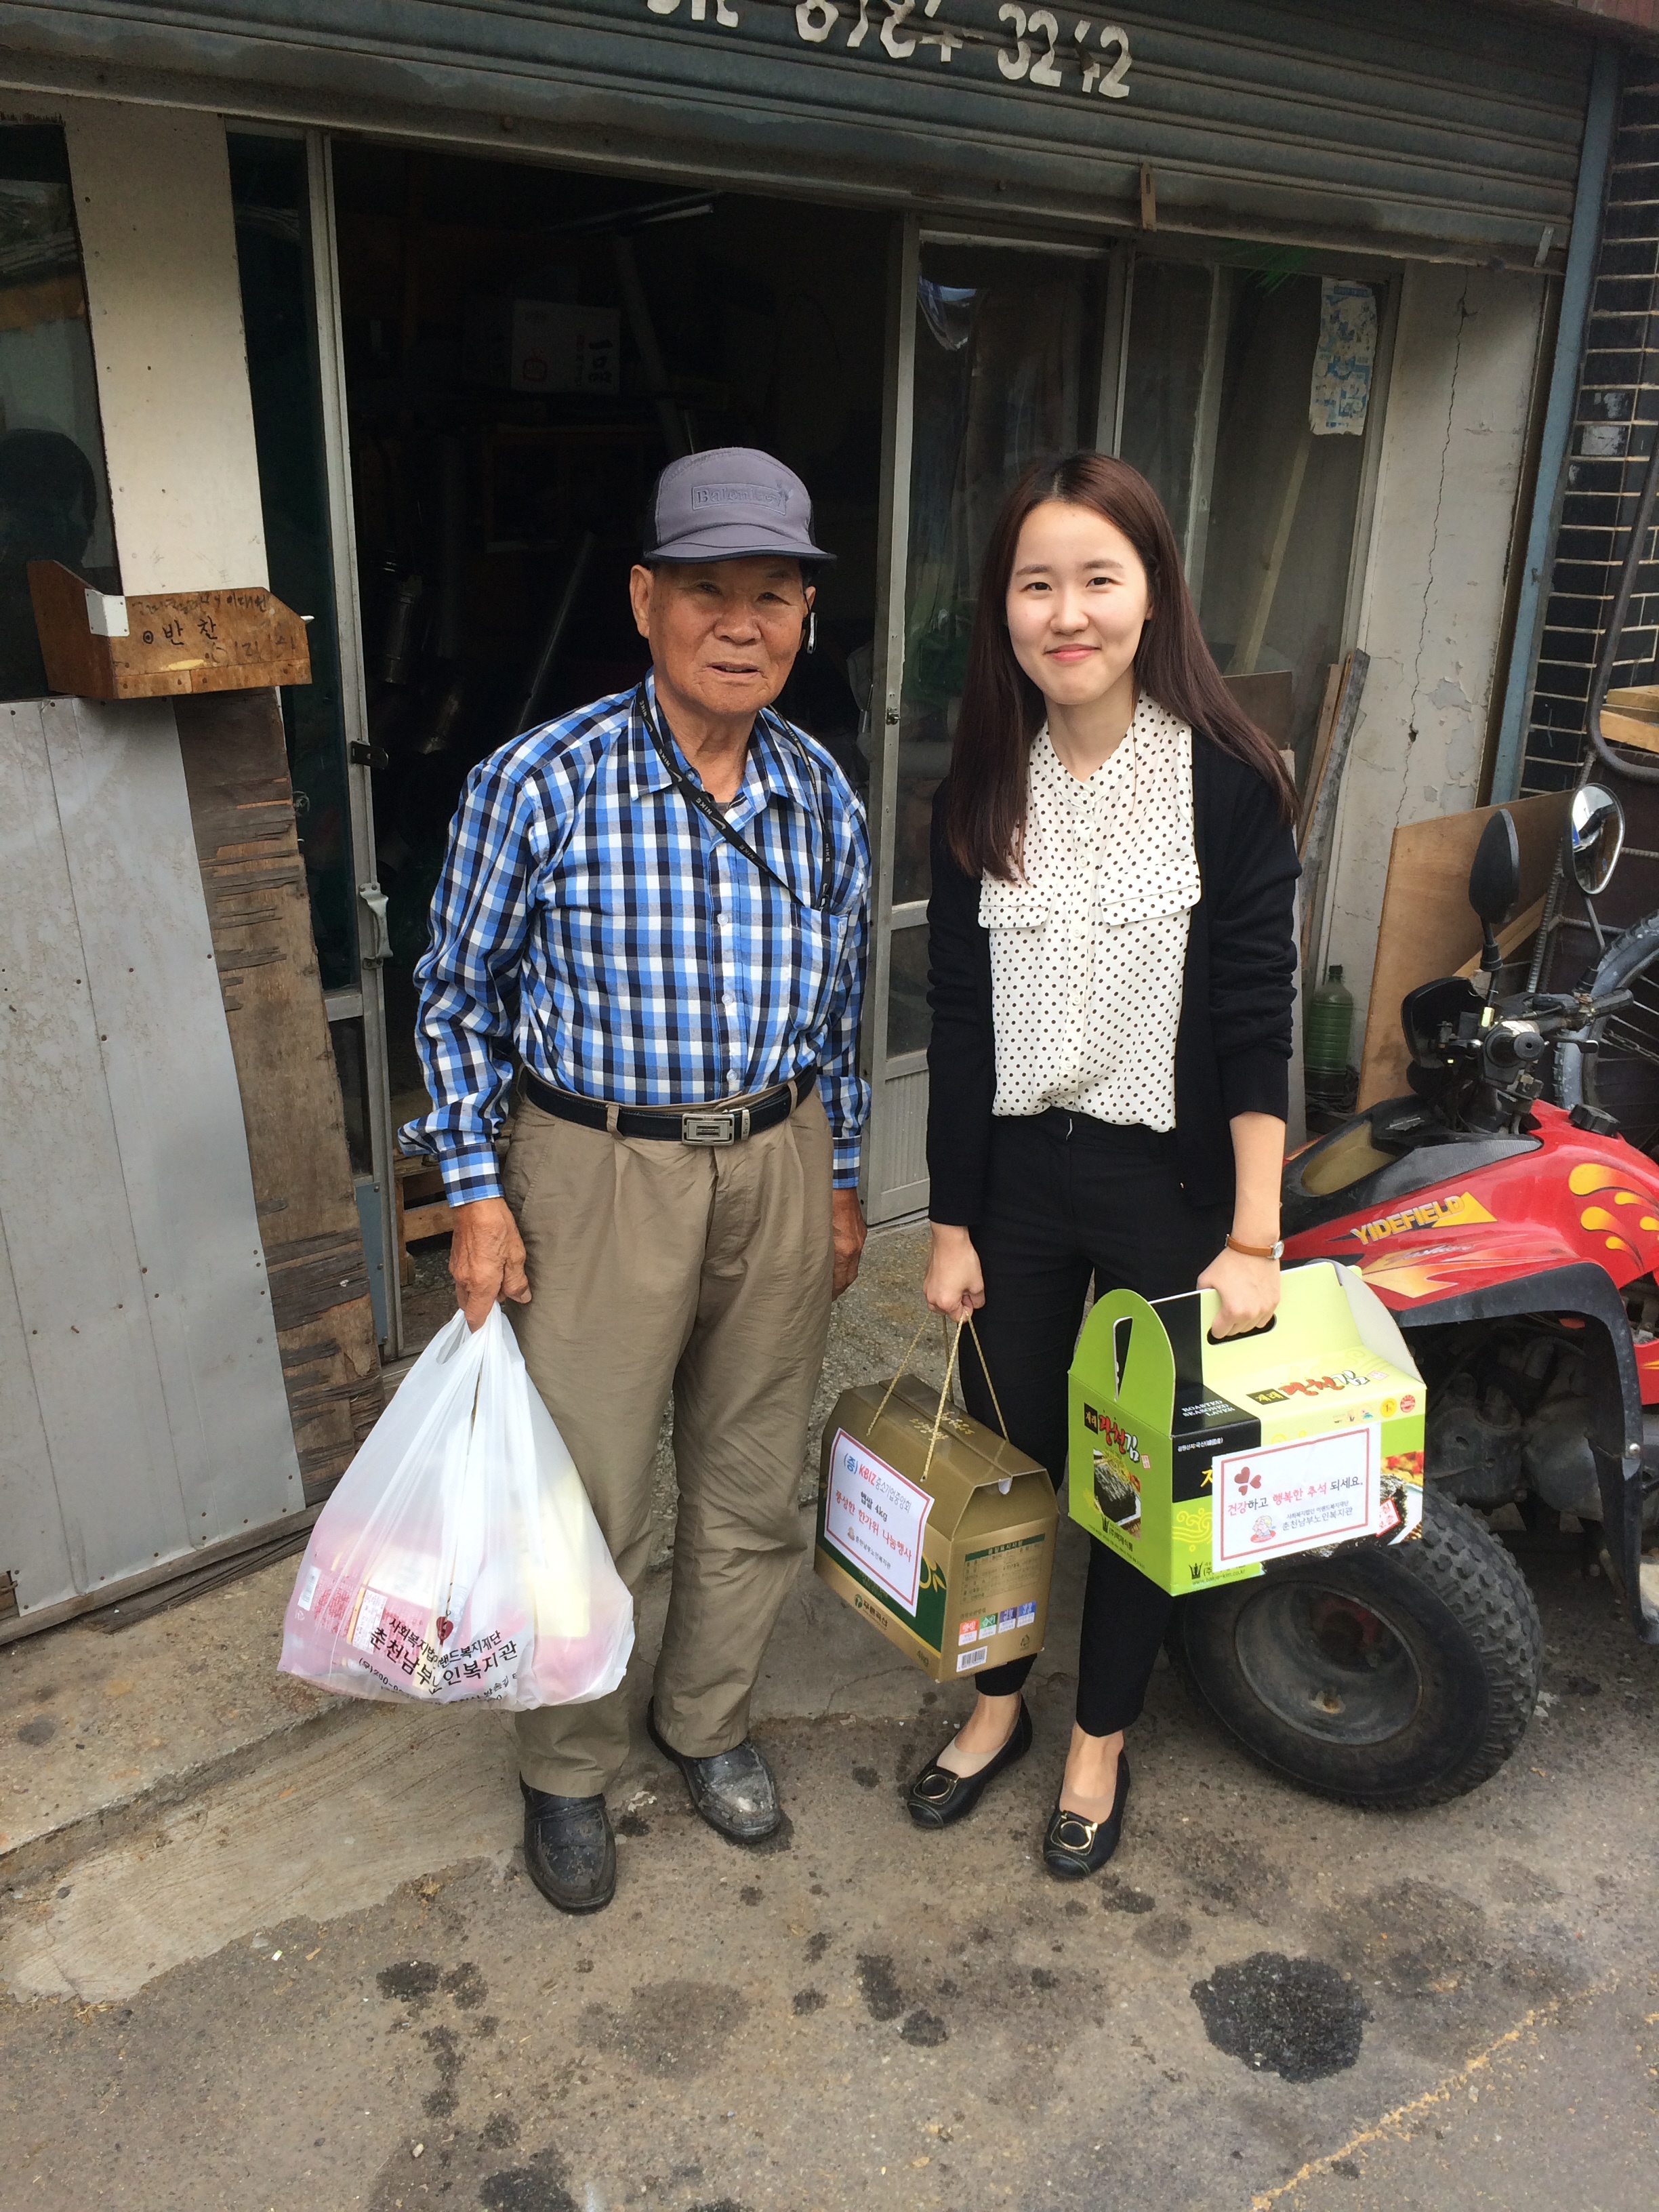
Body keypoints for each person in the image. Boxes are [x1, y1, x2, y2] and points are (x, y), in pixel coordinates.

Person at [405, 448, 870, 1914]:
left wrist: (843, 1174)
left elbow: (845, 1014)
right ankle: (568, 1769)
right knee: (590, 1490)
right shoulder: (542, 779)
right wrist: (477, 1193)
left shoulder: (820, 794)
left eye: (776, 596)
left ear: (805, 614)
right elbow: (452, 999)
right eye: (711, 593)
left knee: (748, 1481)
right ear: (646, 599)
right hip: (597, 1170)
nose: (746, 625)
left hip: (780, 1160)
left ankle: (709, 1726)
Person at [912, 451, 1297, 1879]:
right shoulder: (980, 792)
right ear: (1003, 610)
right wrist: (950, 1219)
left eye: (1097, 580)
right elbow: (956, 1023)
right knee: (1006, 1462)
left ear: (1151, 597)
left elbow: (1258, 1021)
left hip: (1168, 1191)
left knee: (1134, 1472)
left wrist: (1255, 1234)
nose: (1066, 613)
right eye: (1035, 584)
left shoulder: (1230, 784)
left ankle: (1100, 1736)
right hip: (1013, 1183)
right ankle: (1000, 1703)